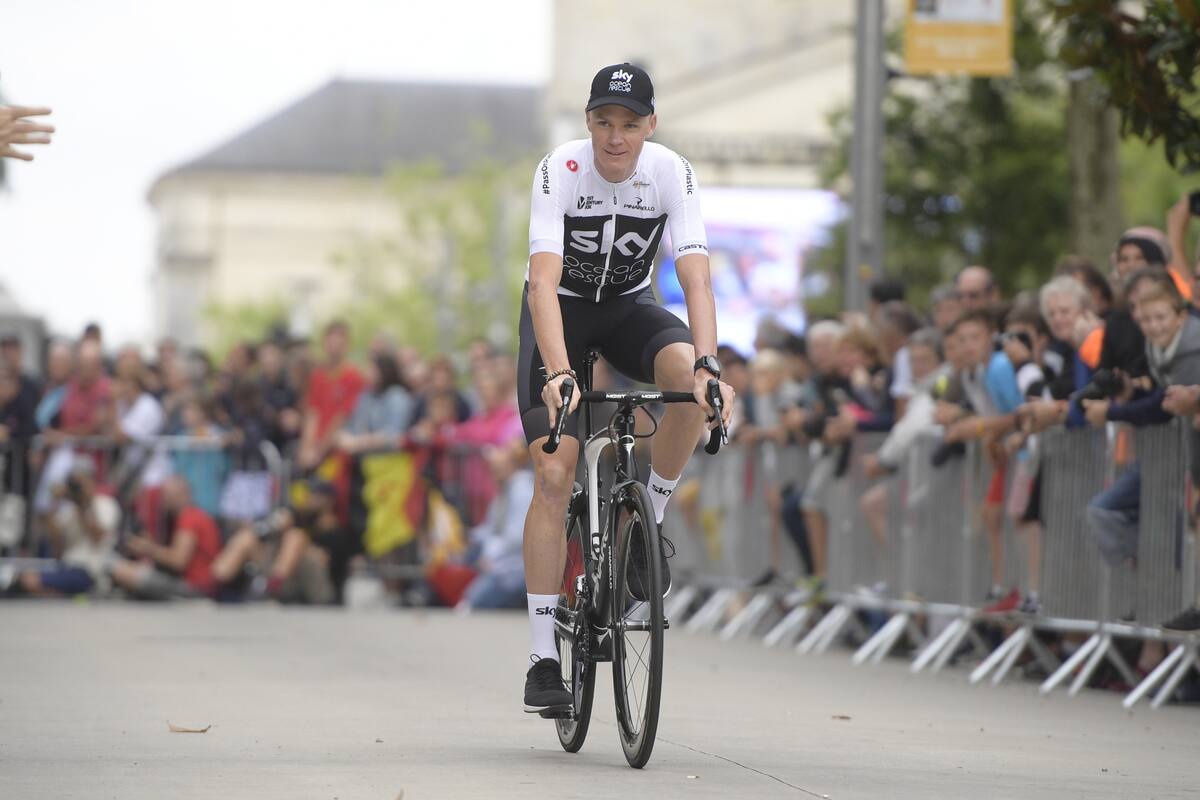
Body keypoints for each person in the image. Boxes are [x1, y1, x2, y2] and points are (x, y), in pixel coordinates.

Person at [517, 62, 734, 715]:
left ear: (650, 126)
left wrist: (710, 363)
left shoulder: (671, 170)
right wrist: (559, 372)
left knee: (687, 381)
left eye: (630, 125)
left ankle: (650, 519)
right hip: (561, 312)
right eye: (604, 123)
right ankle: (541, 659)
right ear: (589, 122)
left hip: (630, 306)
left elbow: (695, 275)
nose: (616, 137)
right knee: (555, 475)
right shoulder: (560, 168)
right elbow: (542, 280)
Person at [2, 461, 119, 597]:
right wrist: (54, 502)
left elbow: (98, 537)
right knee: (23, 577)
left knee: (29, 581)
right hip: (67, 567)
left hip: (90, 570)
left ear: (92, 481)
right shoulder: (70, 509)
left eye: (81, 483)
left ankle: (64, 594)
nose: (77, 488)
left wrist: (84, 505)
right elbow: (56, 542)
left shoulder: (105, 504)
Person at [110, 476, 222, 600]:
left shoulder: (189, 518)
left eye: (168, 495)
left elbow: (178, 560)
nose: (164, 500)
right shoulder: (194, 516)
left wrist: (147, 548)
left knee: (120, 570)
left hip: (193, 587)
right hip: (198, 584)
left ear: (183, 493)